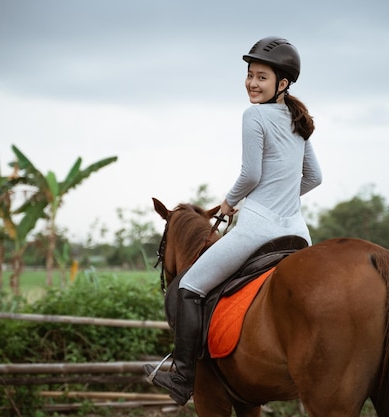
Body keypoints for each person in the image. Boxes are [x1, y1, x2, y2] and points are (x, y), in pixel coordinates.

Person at [144, 36, 322, 406]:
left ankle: (183, 378)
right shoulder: (296, 117)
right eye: (250, 75)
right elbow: (313, 178)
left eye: (261, 77)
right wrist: (281, 197)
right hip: (297, 233)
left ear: (282, 83)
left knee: (190, 286)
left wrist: (229, 204)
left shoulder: (253, 115)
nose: (252, 84)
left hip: (258, 230)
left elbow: (250, 174)